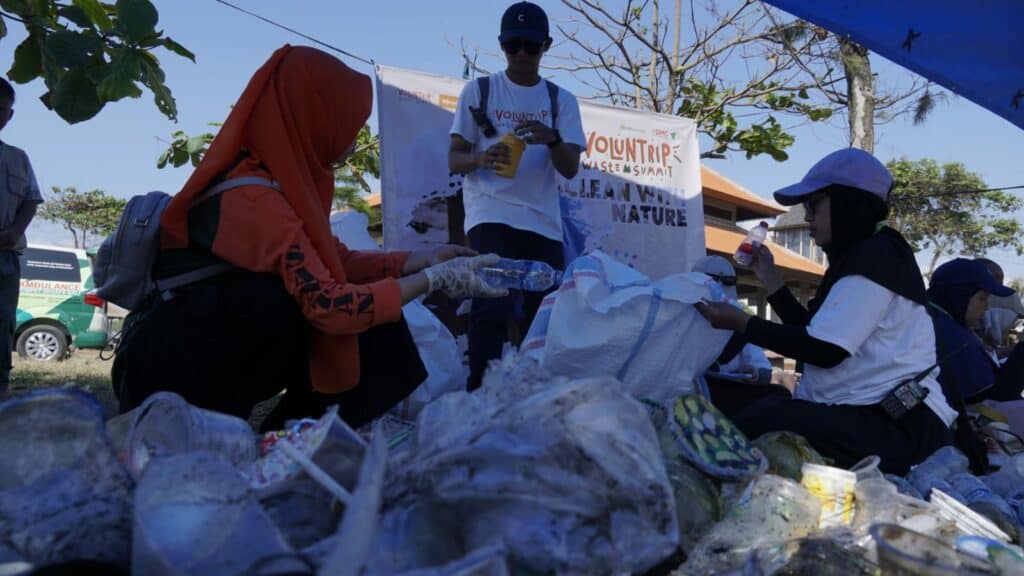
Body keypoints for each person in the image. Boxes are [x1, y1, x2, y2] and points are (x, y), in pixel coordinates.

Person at [112, 46, 506, 430]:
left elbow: (335, 259)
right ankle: (295, 438)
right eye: (347, 121)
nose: (353, 139)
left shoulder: (278, 182)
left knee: (372, 318)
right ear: (315, 116)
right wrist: (432, 282)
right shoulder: (254, 198)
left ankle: (292, 435)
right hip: (164, 371)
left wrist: (421, 260)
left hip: (196, 352)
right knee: (351, 319)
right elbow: (330, 306)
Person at [696, 148, 958, 474]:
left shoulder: (878, 257)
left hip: (897, 426)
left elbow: (825, 349)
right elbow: (813, 332)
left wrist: (741, 322)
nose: (806, 217)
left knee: (766, 418)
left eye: (814, 205)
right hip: (871, 414)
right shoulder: (861, 258)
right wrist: (772, 281)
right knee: (758, 407)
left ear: (848, 204)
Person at [449, 1, 586, 391]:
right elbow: (454, 157)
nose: (523, 55)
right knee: (490, 304)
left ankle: (532, 394)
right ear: (502, 45)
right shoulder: (480, 90)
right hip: (490, 212)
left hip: (542, 221)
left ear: (547, 45)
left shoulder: (562, 101)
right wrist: (480, 157)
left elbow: (570, 168)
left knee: (543, 313)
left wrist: (552, 137)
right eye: (514, 46)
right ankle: (481, 397)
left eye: (531, 45)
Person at [928, 258, 1024, 402]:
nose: (987, 306)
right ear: (960, 296)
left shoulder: (936, 317)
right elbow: (996, 397)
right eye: (983, 298)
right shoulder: (951, 335)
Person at [0, 78, 42, 394]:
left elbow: (31, 199)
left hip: (5, 258)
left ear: (10, 115)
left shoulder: (19, 158)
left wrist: (15, 231)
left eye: (1, 109)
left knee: (2, 327)